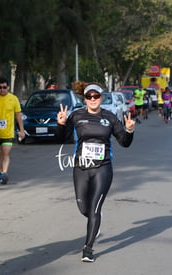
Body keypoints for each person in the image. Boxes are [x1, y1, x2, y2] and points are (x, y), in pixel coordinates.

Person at [56, 81, 135, 263]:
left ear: (101, 97)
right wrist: (61, 124)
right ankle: (95, 218)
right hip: (81, 167)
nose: (92, 99)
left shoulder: (110, 117)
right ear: (85, 98)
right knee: (84, 207)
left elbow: (124, 142)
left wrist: (129, 131)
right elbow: (63, 138)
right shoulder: (76, 116)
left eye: (96, 96)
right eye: (89, 96)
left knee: (94, 209)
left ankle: (88, 248)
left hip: (103, 168)